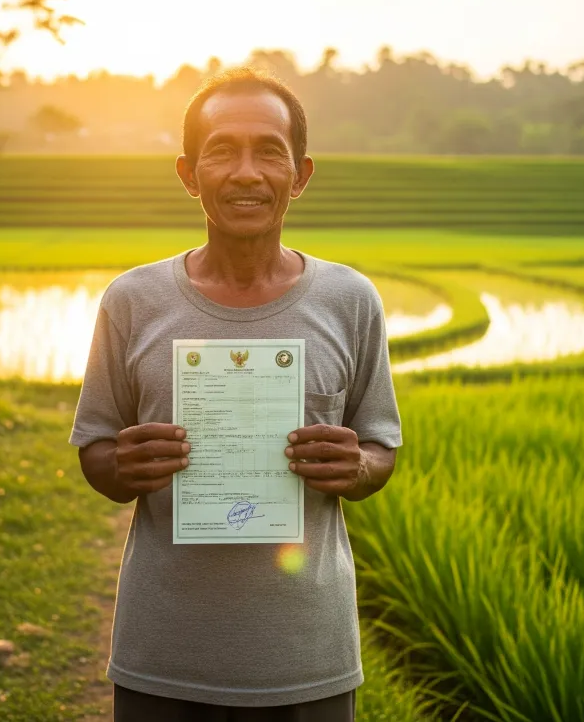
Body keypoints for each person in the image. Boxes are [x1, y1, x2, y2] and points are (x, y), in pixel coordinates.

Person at [70, 67, 402, 721]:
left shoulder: (349, 301)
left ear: (300, 174)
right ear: (189, 173)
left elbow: (380, 447)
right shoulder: (133, 302)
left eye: (268, 151)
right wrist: (120, 467)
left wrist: (357, 466)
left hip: (308, 658)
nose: (246, 173)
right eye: (222, 150)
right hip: (164, 658)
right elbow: (97, 451)